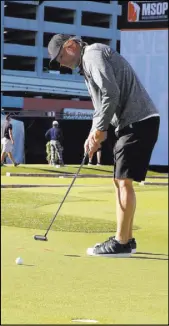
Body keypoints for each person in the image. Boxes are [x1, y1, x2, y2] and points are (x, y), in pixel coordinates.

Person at [48, 34, 160, 257]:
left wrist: (100, 131)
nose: (61, 63)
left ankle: (121, 242)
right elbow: (101, 106)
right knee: (120, 181)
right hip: (135, 122)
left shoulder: (92, 55)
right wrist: (93, 133)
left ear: (71, 45)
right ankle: (126, 239)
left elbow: (111, 93)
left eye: (60, 56)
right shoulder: (87, 64)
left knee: (122, 181)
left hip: (137, 121)